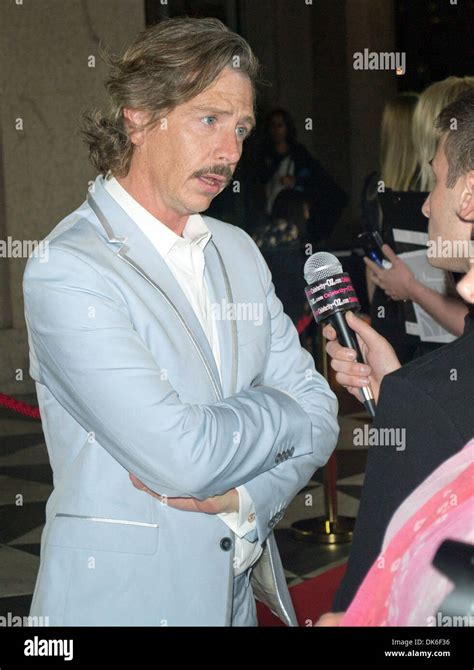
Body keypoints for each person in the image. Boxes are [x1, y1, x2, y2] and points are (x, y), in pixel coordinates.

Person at [23, 18, 339, 627]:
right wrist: (281, 411)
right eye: (210, 119)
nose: (231, 151)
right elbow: (183, 459)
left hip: (234, 602)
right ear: (139, 115)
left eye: (241, 127)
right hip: (119, 607)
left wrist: (250, 495)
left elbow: (322, 415)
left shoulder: (237, 249)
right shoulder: (68, 269)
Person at [323, 89, 474, 613]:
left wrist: (406, 400)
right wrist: (393, 389)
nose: (427, 202)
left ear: (470, 194)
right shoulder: (417, 397)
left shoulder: (424, 401)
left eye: (435, 179)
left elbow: (368, 600)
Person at [256, 108, 348, 246]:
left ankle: (315, 240)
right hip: (273, 207)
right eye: (272, 125)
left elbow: (317, 178)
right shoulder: (263, 154)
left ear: (287, 128)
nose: (276, 130)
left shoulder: (298, 153)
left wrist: (296, 181)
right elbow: (259, 180)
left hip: (298, 205)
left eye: (280, 125)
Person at [252, 189, 310, 325]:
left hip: (260, 305)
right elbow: (294, 276)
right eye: (305, 209)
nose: (307, 216)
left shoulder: (261, 232)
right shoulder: (289, 233)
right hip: (286, 308)